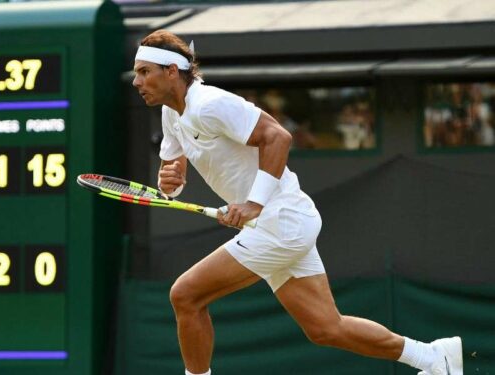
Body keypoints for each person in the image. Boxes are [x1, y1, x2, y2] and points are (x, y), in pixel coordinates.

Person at [131, 29, 463, 375]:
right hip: (280, 224)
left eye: (144, 72)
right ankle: (432, 358)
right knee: (325, 328)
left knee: (185, 295)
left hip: (280, 222)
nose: (137, 81)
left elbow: (277, 136)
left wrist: (253, 204)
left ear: (171, 71)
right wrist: (171, 184)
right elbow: (174, 171)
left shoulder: (211, 103)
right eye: (137, 73)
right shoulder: (172, 114)